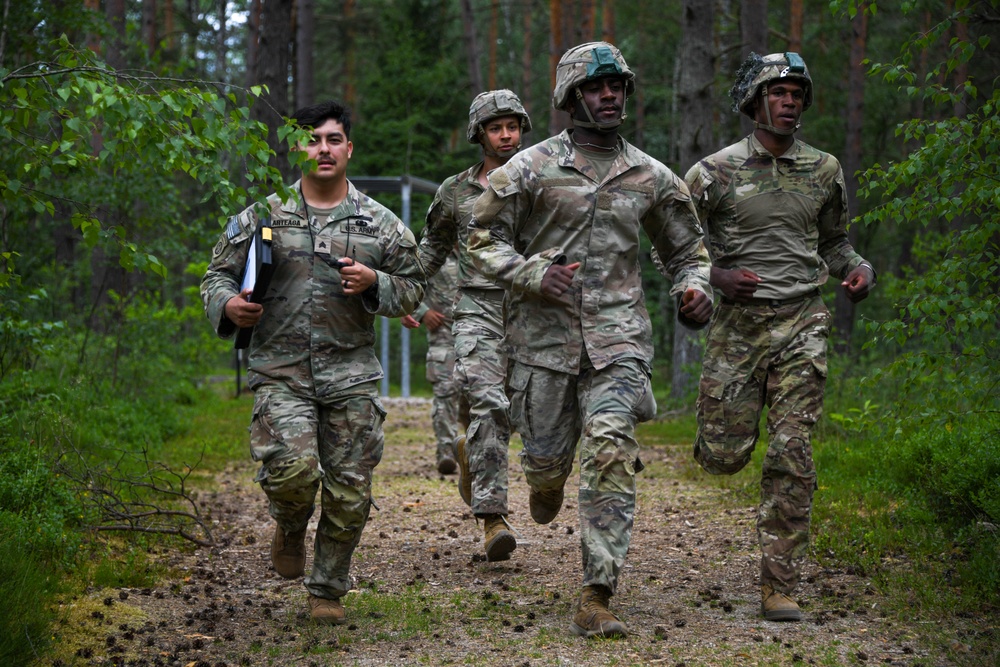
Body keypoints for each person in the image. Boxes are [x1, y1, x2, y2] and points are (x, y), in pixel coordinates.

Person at [468, 42, 714, 638]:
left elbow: (688, 250)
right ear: (572, 96)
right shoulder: (528, 168)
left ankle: (597, 591)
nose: (610, 96)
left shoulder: (651, 176)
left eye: (617, 87)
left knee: (609, 450)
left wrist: (694, 288)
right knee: (548, 465)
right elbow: (479, 238)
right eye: (597, 87)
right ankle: (544, 480)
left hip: (619, 343)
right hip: (543, 349)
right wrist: (531, 272)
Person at [200, 100, 425, 624]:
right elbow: (216, 276)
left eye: (332, 139)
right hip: (281, 372)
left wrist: (377, 283)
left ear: (348, 148)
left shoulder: (379, 223)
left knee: (350, 492)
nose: (322, 149)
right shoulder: (263, 215)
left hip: (350, 374)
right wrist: (229, 305)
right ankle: (290, 521)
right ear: (297, 147)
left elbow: (416, 289)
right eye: (311, 139)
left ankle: (325, 590)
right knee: (294, 472)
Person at [686, 52, 876, 622]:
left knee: (793, 451)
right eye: (779, 92)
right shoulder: (711, 173)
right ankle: (716, 440)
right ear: (754, 101)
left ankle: (779, 584)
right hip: (738, 327)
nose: (791, 102)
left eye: (798, 93)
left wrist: (857, 268)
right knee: (723, 456)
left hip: (802, 320)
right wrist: (713, 277)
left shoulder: (823, 169)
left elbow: (835, 242)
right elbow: (675, 246)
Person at [409, 89, 532, 562]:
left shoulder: (542, 181)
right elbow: (430, 252)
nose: (506, 135)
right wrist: (395, 288)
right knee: (488, 403)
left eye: (513, 126)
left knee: (526, 413)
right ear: (479, 134)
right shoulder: (454, 192)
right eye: (496, 128)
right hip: (476, 309)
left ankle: (471, 457)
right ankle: (492, 517)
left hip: (531, 311)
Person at [405, 248, 467, 474]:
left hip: (480, 340)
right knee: (445, 396)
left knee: (477, 401)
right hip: (444, 339)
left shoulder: (482, 250)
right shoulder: (432, 253)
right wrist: (422, 311)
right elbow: (404, 282)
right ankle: (447, 453)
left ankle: (476, 452)